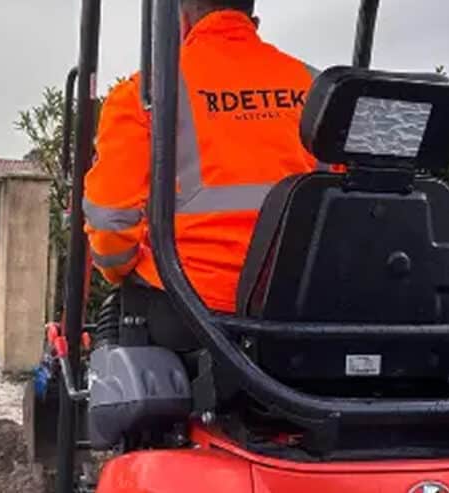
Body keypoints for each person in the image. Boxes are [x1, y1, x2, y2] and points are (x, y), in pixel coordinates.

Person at [84, 0, 324, 324]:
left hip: (190, 307)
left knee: (116, 319)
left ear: (182, 21)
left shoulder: (144, 94)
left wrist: (119, 269)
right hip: (301, 305)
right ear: (252, 20)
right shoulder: (316, 88)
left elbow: (110, 225)